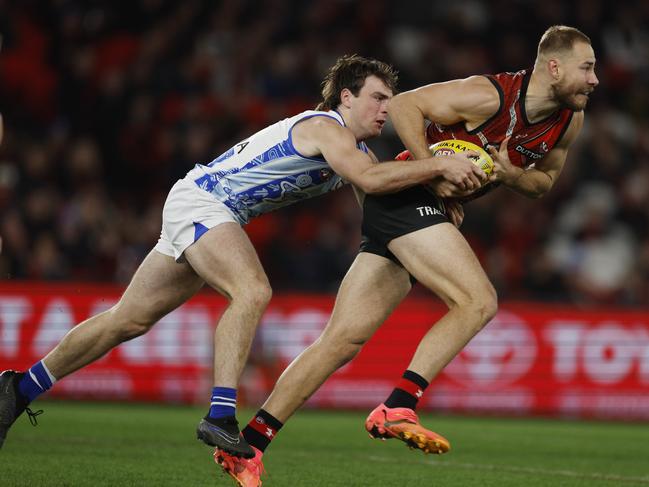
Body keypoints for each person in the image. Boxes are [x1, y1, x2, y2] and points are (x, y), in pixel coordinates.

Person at [0, 55, 484, 457]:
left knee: (127, 321)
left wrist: (435, 214)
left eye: (388, 101)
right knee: (252, 290)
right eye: (378, 98)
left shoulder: (354, 152)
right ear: (346, 97)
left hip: (204, 206)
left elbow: (379, 210)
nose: (386, 109)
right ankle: (220, 414)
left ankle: (18, 389)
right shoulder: (328, 128)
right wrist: (437, 166)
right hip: (205, 203)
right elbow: (375, 182)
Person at [215, 25, 599, 486]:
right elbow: (403, 105)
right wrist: (432, 171)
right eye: (587, 68)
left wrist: (511, 173)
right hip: (405, 196)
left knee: (341, 342)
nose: (595, 79)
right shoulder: (490, 96)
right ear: (554, 67)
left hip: (411, 209)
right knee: (478, 301)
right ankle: (400, 404)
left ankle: (250, 446)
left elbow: (543, 184)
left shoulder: (569, 119)